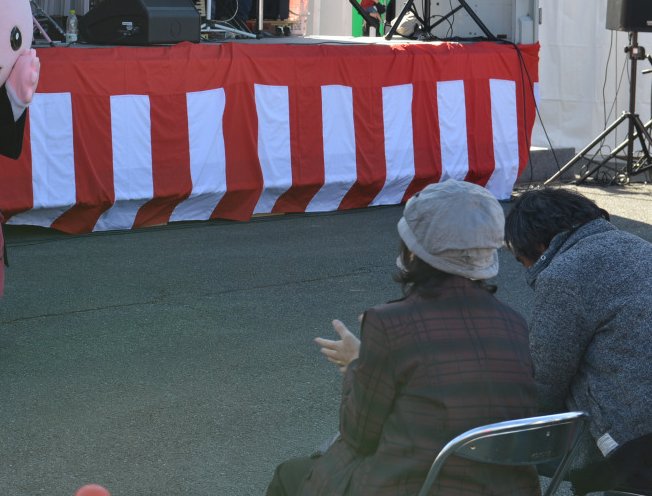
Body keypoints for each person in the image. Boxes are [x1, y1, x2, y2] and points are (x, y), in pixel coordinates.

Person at [267, 180, 538, 496]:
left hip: (415, 485)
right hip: (502, 488)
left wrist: (357, 363)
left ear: (411, 250)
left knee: (289, 474)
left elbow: (359, 435)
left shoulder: (391, 323)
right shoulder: (514, 323)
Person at [505, 188, 652, 495]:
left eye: (522, 261)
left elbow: (545, 379)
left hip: (635, 443)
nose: (527, 270)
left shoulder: (563, 275)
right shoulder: (642, 248)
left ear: (538, 245)